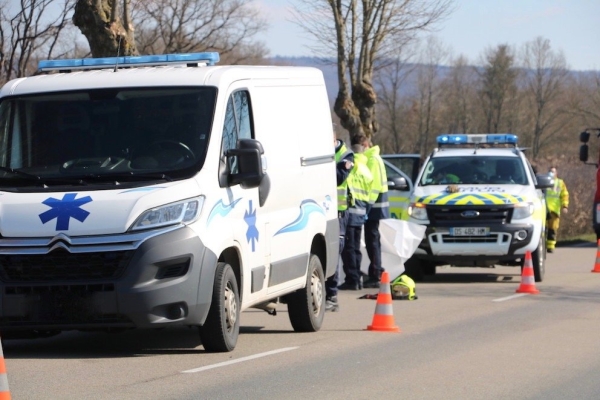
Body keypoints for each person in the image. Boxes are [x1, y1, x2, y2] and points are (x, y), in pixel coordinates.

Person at [325, 133, 354, 311]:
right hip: (322, 209)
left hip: (339, 212)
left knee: (334, 253)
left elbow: (339, 177)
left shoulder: (345, 155)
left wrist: (322, 165)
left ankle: (332, 296)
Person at [338, 144, 373, 291]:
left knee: (349, 249)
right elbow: (370, 193)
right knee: (356, 248)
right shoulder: (366, 169)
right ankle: (357, 278)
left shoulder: (352, 166)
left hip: (350, 211)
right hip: (361, 212)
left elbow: (343, 185)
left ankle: (352, 279)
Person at [358, 135, 391, 288]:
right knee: (373, 241)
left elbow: (374, 186)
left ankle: (376, 272)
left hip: (374, 207)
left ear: (365, 145)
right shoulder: (374, 158)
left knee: (372, 241)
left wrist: (367, 206)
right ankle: (376, 270)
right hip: (376, 207)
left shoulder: (372, 159)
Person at [545, 166, 569, 253]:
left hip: (554, 210)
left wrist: (565, 206)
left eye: (553, 171)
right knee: (543, 229)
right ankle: (543, 245)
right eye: (550, 171)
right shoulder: (544, 182)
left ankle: (550, 247)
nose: (551, 173)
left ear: (556, 173)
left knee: (553, 229)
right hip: (544, 209)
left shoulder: (560, 183)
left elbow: (564, 195)